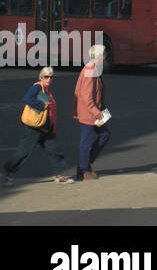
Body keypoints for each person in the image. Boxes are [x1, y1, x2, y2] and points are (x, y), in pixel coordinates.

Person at [2, 67, 74, 185]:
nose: (49, 79)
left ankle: (59, 175)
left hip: (45, 127)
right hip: (34, 127)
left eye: (51, 77)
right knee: (23, 152)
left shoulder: (46, 90)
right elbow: (27, 98)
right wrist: (41, 105)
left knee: (54, 149)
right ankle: (5, 172)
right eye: (46, 76)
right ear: (41, 77)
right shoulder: (37, 86)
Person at [73, 44, 111, 180]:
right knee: (87, 142)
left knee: (105, 135)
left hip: (94, 112)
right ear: (100, 56)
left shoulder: (94, 68)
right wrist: (98, 113)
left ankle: (84, 165)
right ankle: (83, 170)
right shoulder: (90, 70)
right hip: (89, 113)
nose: (106, 57)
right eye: (105, 54)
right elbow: (87, 97)